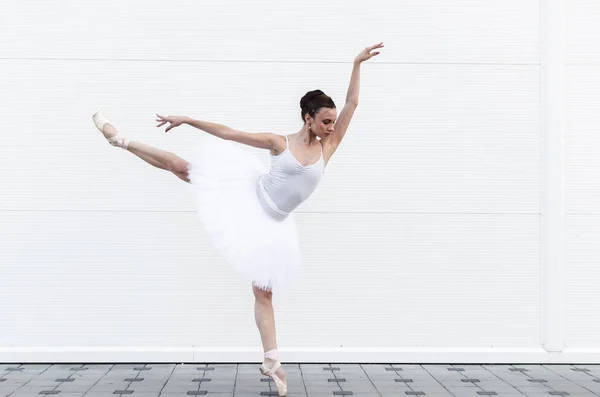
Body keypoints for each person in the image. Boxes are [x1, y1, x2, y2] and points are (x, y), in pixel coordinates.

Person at [91, 42, 383, 396]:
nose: (330, 126)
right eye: (325, 121)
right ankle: (120, 140)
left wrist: (356, 64)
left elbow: (353, 104)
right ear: (307, 118)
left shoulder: (329, 146)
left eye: (332, 121)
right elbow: (230, 133)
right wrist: (187, 119)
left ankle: (272, 361)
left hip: (272, 225)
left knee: (264, 293)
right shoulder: (280, 143)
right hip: (247, 197)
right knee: (183, 168)